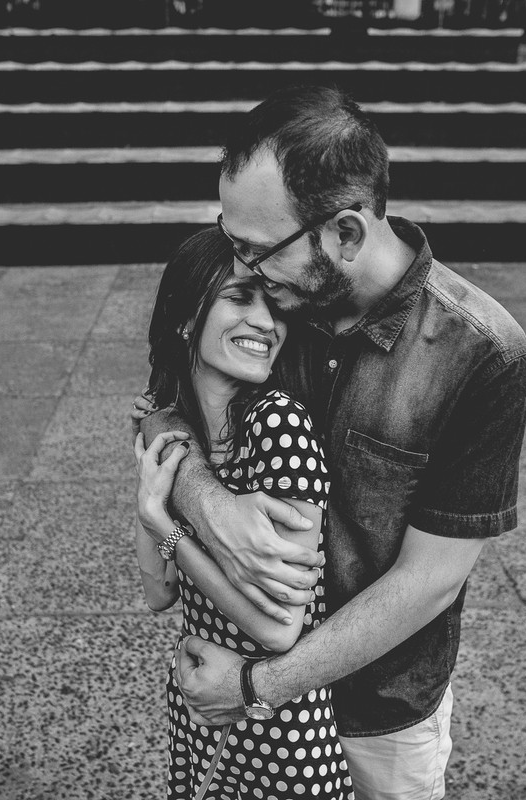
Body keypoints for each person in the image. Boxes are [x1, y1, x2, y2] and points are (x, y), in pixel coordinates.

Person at [135, 85, 526, 800]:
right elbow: (166, 401)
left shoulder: (484, 354)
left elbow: (431, 578)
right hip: (234, 681)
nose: (242, 271)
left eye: (255, 250)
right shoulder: (280, 305)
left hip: (375, 712)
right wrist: (206, 500)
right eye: (232, 245)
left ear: (344, 235)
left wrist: (260, 686)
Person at [133, 227, 355, 800]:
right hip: (200, 711)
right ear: (186, 316)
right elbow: (158, 594)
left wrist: (169, 530)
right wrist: (152, 504)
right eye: (238, 297)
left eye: (272, 303)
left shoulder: (278, 424)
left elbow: (281, 627)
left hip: (276, 730)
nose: (266, 322)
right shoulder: (182, 431)